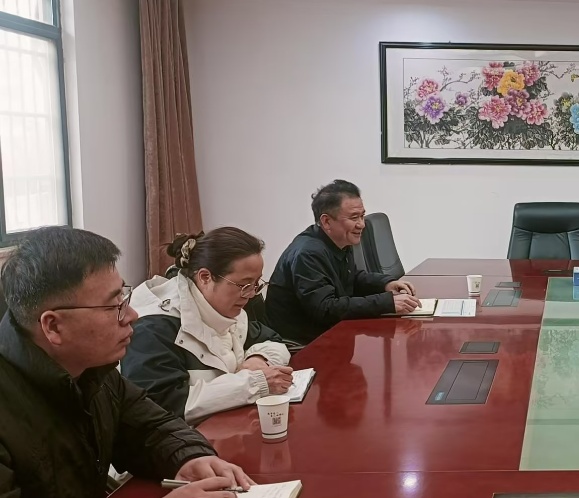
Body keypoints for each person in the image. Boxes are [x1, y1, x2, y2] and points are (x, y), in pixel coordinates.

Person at [0, 226, 253, 498]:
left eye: (124, 296)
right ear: (53, 326)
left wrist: (190, 457)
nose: (132, 315)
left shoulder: (94, 372)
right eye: (113, 306)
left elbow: (152, 428)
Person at [121, 228, 294, 425]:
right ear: (205, 277)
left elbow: (272, 340)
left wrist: (258, 358)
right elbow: (163, 405)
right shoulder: (153, 329)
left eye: (256, 284)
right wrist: (254, 383)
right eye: (245, 285)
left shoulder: (224, 308)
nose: (252, 294)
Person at [265, 180, 420, 345]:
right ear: (326, 221)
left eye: (362, 216)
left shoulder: (339, 240)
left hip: (331, 333)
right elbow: (325, 308)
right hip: (304, 344)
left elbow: (351, 278)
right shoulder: (308, 253)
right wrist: (386, 302)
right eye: (354, 218)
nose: (361, 224)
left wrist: (385, 284)